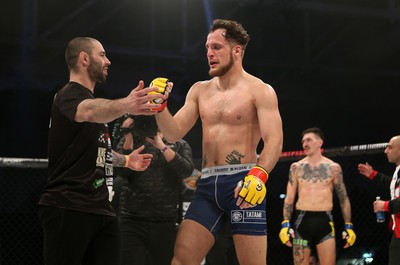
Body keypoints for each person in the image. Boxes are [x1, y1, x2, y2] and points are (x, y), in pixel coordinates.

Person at [154, 19, 283, 265]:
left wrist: (259, 175)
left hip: (243, 183)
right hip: (208, 185)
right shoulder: (199, 90)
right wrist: (160, 107)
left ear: (237, 50)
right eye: (207, 48)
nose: (209, 54)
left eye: (216, 47)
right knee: (181, 260)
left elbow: (274, 140)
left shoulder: (260, 90)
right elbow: (173, 133)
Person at [37, 37, 168, 265]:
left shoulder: (94, 105)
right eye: (102, 54)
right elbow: (89, 111)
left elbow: (100, 151)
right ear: (84, 58)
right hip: (69, 205)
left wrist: (126, 160)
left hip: (101, 210)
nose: (108, 60)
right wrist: (127, 104)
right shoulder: (69, 95)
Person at [115, 114, 195, 265]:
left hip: (165, 221)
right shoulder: (131, 140)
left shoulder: (179, 144)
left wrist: (162, 146)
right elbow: (120, 173)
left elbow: (186, 171)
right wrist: (128, 137)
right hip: (131, 220)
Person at [279, 127, 356, 265]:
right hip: (302, 220)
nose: (305, 144)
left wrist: (348, 225)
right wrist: (285, 224)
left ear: (320, 142)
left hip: (325, 220)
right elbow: (289, 198)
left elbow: (343, 199)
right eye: (303, 141)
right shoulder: (296, 167)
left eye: (309, 140)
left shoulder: (334, 168)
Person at [357, 135, 400, 265]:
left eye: (390, 147)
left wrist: (385, 206)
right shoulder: (398, 170)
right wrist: (373, 175)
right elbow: (393, 184)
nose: (386, 151)